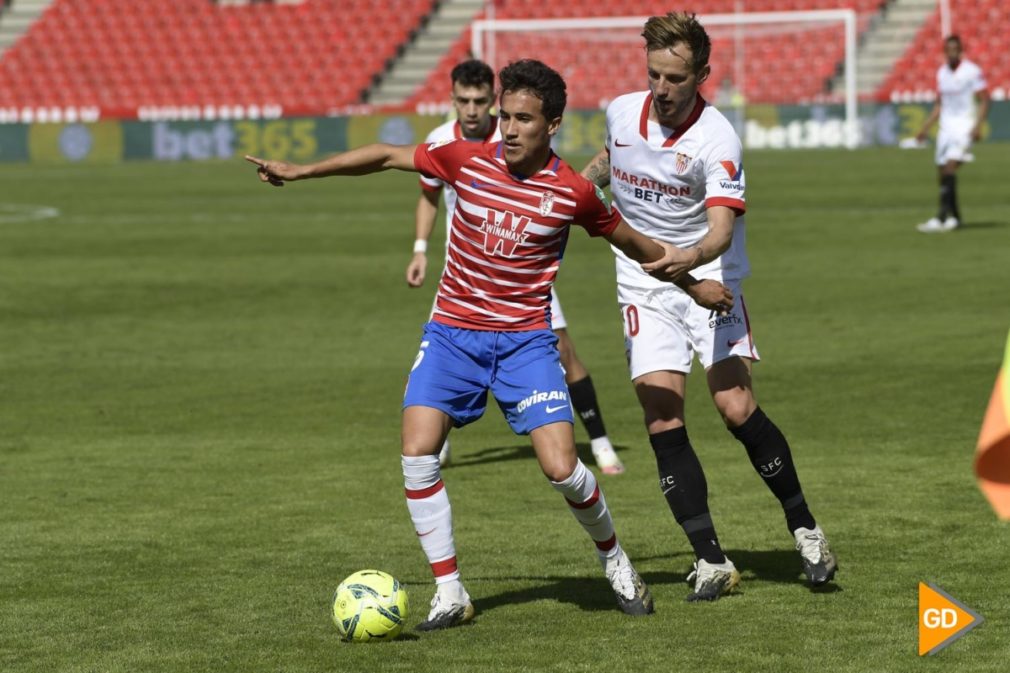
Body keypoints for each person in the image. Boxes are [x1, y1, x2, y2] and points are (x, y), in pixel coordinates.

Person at [246, 59, 734, 630]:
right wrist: (300, 171)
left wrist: (693, 281)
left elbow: (635, 243)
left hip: (525, 342)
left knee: (561, 466)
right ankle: (450, 591)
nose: (506, 128)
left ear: (551, 125)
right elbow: (383, 155)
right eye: (504, 116)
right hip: (452, 335)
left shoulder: (573, 192)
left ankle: (615, 560)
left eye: (522, 119)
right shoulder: (464, 160)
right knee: (417, 453)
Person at [581, 12, 837, 602]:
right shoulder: (622, 111)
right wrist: (568, 187)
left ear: (702, 74)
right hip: (643, 286)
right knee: (662, 417)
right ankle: (712, 560)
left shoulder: (717, 139)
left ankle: (805, 529)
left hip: (712, 280)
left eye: (675, 78)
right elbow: (609, 163)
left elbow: (720, 231)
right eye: (654, 75)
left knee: (735, 405)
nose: (662, 89)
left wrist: (687, 263)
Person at [407, 59, 626, 474]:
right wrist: (420, 248)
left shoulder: (509, 133)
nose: (473, 110)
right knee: (451, 355)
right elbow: (428, 197)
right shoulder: (444, 142)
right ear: (452, 99)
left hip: (525, 273)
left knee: (564, 350)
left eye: (481, 102)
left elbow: (559, 190)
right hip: (468, 273)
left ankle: (599, 443)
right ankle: (438, 442)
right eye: (463, 101)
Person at [915, 34, 990, 233]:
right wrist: (925, 128)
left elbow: (984, 99)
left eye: (956, 48)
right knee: (942, 172)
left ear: (961, 50)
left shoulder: (972, 71)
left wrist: (977, 126)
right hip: (946, 128)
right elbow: (940, 105)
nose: (952, 52)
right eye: (949, 49)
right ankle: (956, 219)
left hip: (964, 127)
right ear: (944, 51)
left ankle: (940, 218)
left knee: (950, 168)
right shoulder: (941, 73)